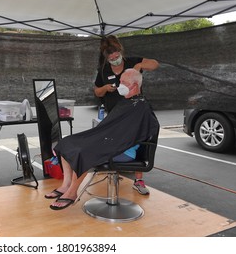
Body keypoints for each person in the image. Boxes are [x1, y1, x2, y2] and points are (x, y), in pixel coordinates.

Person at [45, 69, 159, 210]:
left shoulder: (142, 107)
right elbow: (113, 128)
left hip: (124, 150)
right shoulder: (125, 103)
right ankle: (66, 185)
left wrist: (105, 140)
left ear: (135, 85)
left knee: (84, 151)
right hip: (112, 144)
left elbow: (142, 131)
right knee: (67, 143)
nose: (119, 85)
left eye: (123, 82)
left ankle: (72, 192)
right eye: (120, 81)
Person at [93, 35, 159, 195]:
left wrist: (139, 65)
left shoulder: (132, 62)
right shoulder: (103, 70)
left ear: (120, 52)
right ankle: (113, 168)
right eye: (111, 58)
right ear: (106, 58)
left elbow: (155, 64)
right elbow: (97, 91)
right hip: (115, 114)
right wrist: (105, 89)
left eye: (117, 56)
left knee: (137, 138)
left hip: (133, 112)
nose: (115, 60)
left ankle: (138, 179)